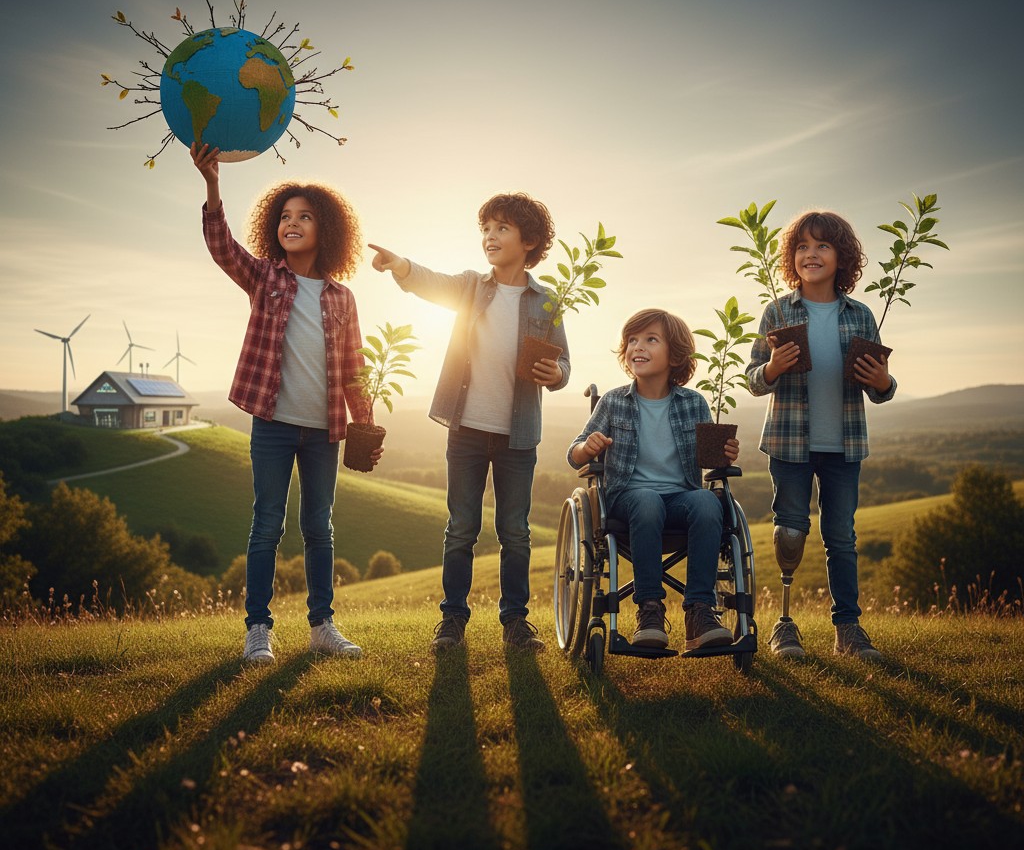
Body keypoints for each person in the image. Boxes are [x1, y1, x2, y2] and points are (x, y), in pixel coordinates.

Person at [192, 141, 380, 665]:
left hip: (323, 431)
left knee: (319, 528)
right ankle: (258, 630)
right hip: (272, 424)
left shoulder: (342, 298)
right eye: (285, 216)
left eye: (304, 216)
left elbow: (354, 369)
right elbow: (222, 247)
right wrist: (212, 184)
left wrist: (363, 424)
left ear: (328, 231)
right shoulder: (265, 278)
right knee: (266, 526)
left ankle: (322, 625)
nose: (291, 223)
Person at [369, 192, 569, 653]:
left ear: (530, 240)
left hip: (518, 437)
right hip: (467, 431)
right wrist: (400, 264)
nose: (490, 237)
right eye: (486, 229)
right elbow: (430, 282)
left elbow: (565, 366)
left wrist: (557, 374)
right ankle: (452, 621)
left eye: (502, 228)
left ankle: (516, 623)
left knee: (515, 532)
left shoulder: (547, 303)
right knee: (461, 526)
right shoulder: (472, 287)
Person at [746, 209, 896, 661]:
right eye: (803, 247)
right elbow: (754, 378)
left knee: (841, 537)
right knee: (790, 533)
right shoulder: (777, 312)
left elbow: (882, 391)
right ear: (792, 258)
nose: (811, 254)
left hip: (844, 445)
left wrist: (883, 381)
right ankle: (784, 625)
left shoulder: (862, 315)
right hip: (789, 443)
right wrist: (773, 367)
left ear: (841, 257)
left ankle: (847, 629)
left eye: (823, 246)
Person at [568, 309, 737, 651]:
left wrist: (725, 454)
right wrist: (589, 447)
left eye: (650, 339)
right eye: (632, 340)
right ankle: (649, 610)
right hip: (629, 500)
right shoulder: (614, 402)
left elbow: (710, 464)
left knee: (707, 501)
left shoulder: (694, 403)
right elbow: (573, 455)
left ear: (674, 355)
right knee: (647, 500)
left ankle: (700, 611)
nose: (637, 347)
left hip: (680, 499)